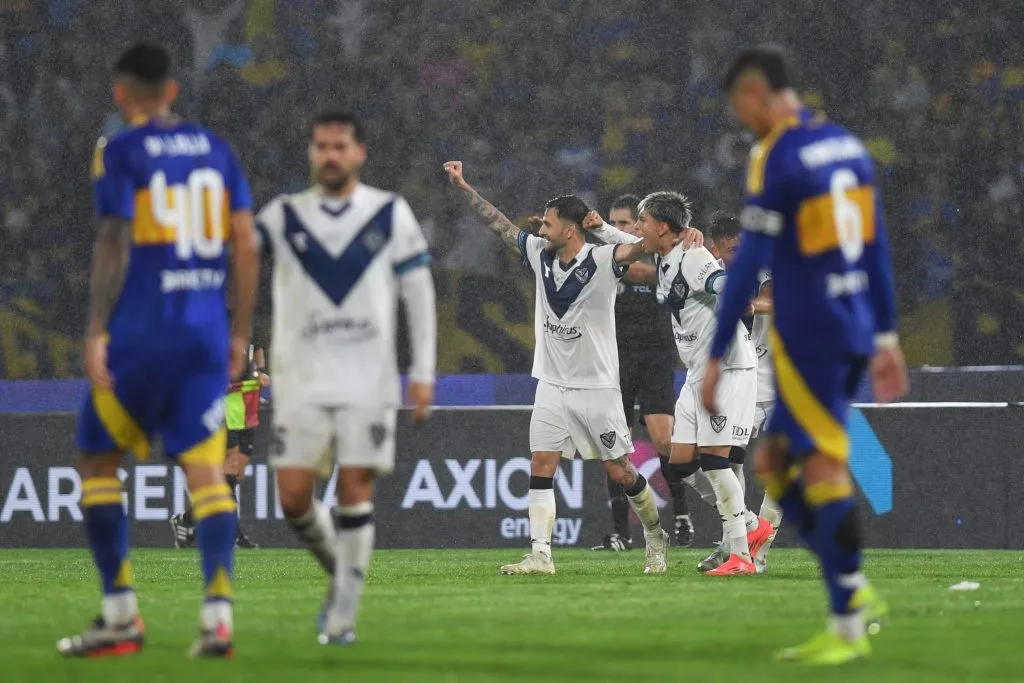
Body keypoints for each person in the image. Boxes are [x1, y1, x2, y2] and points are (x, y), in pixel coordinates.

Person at [704, 46, 908, 663]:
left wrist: (715, 352)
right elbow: (874, 248)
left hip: (811, 330)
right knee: (790, 462)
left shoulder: (777, 154)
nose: (742, 121)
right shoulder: (848, 147)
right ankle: (850, 599)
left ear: (753, 92)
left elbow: (748, 263)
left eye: (739, 107)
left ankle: (848, 606)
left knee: (796, 466)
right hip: (852, 326)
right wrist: (886, 336)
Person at [60, 42, 259, 659]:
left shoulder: (120, 151)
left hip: (144, 331)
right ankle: (218, 618)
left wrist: (96, 329)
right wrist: (239, 333)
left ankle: (121, 614)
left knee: (98, 461)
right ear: (172, 90)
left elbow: (112, 240)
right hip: (204, 335)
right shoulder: (217, 151)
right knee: (207, 472)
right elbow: (246, 244)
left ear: (121, 94)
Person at [442, 161, 699, 575]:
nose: (540, 230)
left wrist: (683, 234)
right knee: (541, 464)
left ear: (570, 231)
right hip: (552, 383)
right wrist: (464, 187)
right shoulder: (538, 254)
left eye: (548, 224)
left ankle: (655, 534)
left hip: (597, 387)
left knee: (620, 471)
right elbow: (498, 224)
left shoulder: (603, 259)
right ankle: (541, 554)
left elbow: (649, 247)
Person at [256, 112, 436, 646]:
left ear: (359, 153)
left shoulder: (389, 212)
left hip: (367, 376)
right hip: (300, 376)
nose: (330, 155)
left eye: (340, 146)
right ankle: (342, 572)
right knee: (293, 498)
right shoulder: (283, 215)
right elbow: (237, 259)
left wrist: (423, 371)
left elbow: (418, 291)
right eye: (321, 146)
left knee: (354, 491)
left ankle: (343, 616)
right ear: (311, 153)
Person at [585, 194, 773, 576]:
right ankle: (750, 524)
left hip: (727, 368)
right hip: (695, 373)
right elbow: (625, 243)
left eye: (642, 221)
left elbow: (722, 283)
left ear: (662, 227)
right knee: (681, 462)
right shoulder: (666, 255)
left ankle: (741, 557)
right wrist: (599, 227)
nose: (637, 228)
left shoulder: (694, 256)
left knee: (717, 461)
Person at [591, 194, 694, 552]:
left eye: (624, 223)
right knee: (616, 446)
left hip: (656, 357)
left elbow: (642, 270)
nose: (617, 228)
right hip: (616, 360)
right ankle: (621, 533)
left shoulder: (660, 253)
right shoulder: (606, 255)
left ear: (639, 225)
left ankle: (682, 514)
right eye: (613, 223)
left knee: (664, 440)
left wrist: (654, 270)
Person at [708, 211, 784, 573]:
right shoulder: (716, 274)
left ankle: (758, 552)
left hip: (788, 379)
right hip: (749, 377)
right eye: (729, 251)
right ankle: (737, 537)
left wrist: (751, 304)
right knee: (725, 459)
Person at [170, 337, 270, 550]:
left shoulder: (249, 323)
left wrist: (261, 371)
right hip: (221, 407)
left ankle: (187, 520)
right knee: (228, 470)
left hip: (245, 407)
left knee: (234, 476)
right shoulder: (212, 324)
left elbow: (258, 346)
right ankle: (232, 535)